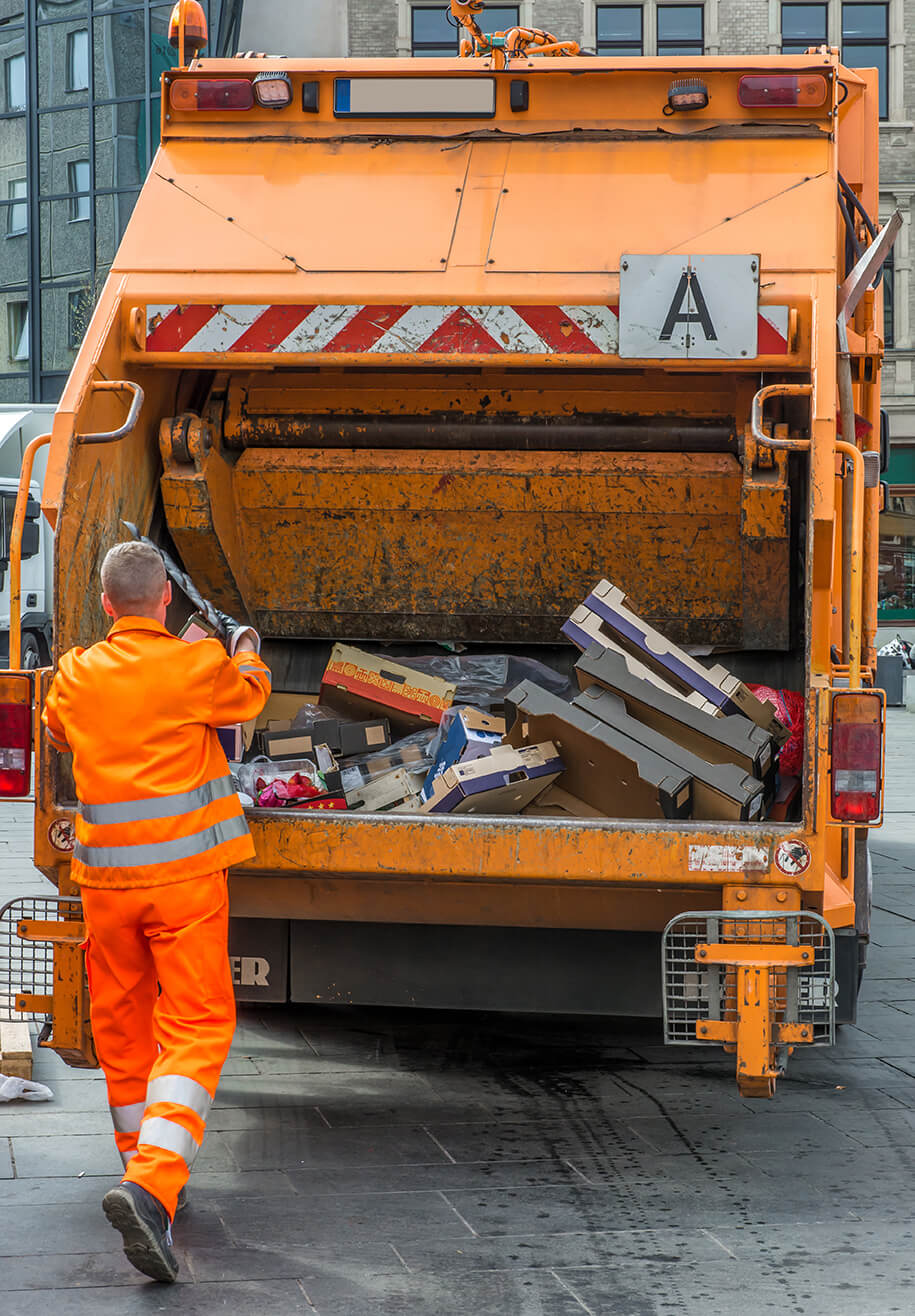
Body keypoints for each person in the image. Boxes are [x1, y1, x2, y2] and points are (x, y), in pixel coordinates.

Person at [41, 540, 271, 1283]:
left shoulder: (75, 673)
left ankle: (143, 1176)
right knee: (198, 1025)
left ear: (107, 604)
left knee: (122, 1027)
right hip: (183, 886)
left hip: (106, 889)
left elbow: (56, 729)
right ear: (165, 600)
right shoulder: (196, 667)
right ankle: (151, 1182)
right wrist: (246, 649)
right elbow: (249, 699)